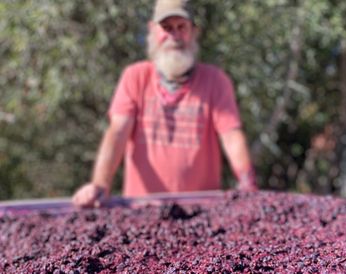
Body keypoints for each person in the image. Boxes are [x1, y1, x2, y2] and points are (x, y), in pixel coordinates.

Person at [72, 0, 257, 208]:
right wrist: (100, 185)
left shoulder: (216, 81)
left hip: (202, 212)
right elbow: (117, 133)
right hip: (141, 211)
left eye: (181, 27)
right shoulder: (135, 78)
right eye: (167, 28)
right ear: (152, 30)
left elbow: (231, 136)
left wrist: (248, 185)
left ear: (194, 32)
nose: (174, 36)